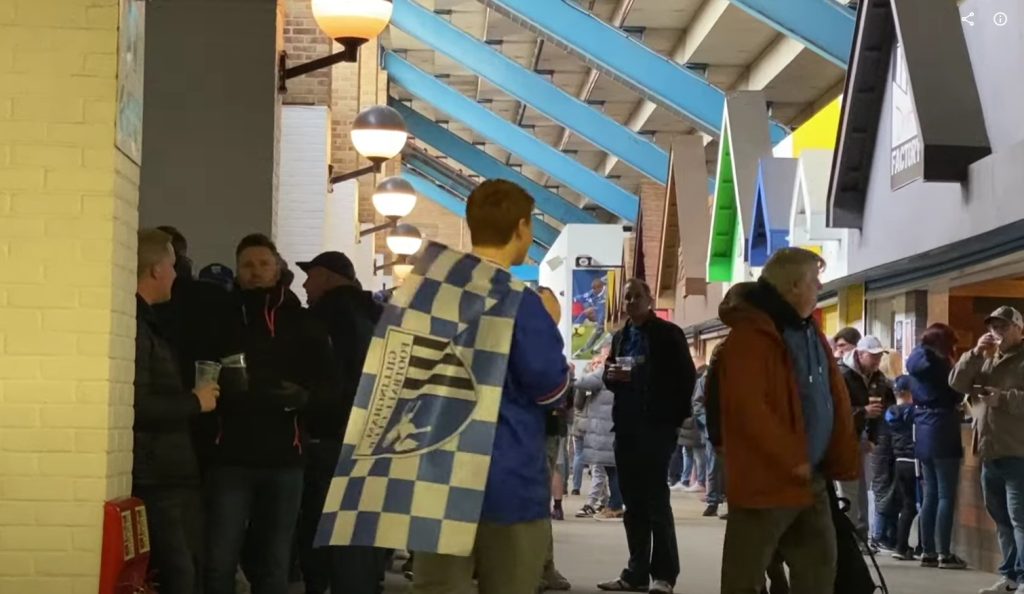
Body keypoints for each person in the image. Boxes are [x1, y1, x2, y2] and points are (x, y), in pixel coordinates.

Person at [411, 180, 571, 594]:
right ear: (521, 228)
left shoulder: (425, 297)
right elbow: (550, 388)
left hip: (435, 475)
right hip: (507, 477)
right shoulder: (521, 302)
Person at [715, 247, 859, 594]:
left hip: (812, 475)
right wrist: (791, 458)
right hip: (767, 478)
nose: (820, 286)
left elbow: (830, 395)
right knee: (745, 574)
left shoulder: (809, 330)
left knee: (820, 567)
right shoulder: (752, 337)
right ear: (794, 285)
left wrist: (835, 456)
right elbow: (748, 409)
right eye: (814, 280)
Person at [204, 234, 334, 594]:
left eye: (263, 263)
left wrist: (304, 398)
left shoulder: (303, 323)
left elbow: (330, 385)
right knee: (219, 559)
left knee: (274, 563)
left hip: (285, 457)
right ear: (237, 271)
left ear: (278, 268)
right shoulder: (221, 318)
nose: (256, 271)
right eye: (247, 264)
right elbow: (199, 371)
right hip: (230, 455)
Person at [133, 228, 219, 594]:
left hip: (168, 467)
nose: (175, 273)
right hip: (158, 471)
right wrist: (194, 401)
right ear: (156, 270)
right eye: (171, 265)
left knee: (185, 568)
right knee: (178, 572)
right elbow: (135, 403)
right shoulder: (137, 326)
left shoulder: (147, 321)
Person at [295, 251, 387, 594]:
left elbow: (316, 376)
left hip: (328, 437)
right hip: (374, 441)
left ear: (331, 277)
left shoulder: (321, 317)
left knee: (320, 527)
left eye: (312, 275)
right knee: (362, 531)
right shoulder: (381, 316)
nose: (305, 282)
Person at [597, 279, 697, 594]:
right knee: (633, 504)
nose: (631, 301)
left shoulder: (669, 334)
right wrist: (610, 376)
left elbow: (686, 376)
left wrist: (674, 419)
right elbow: (610, 374)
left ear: (649, 299)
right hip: (625, 428)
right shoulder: (620, 337)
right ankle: (635, 572)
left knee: (656, 502)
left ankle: (664, 575)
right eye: (627, 297)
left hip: (657, 427)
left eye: (637, 296)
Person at [950, 306, 1024, 593]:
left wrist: (1003, 399)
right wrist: (974, 354)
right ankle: (1011, 577)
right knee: (1002, 520)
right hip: (989, 452)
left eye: (1004, 327)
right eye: (994, 327)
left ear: (1019, 329)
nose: (997, 333)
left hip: (1018, 452)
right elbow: (956, 383)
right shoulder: (986, 359)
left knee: (1020, 520)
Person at [906, 323, 967, 570]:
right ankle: (944, 553)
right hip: (943, 428)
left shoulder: (915, 361)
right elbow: (957, 392)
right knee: (945, 495)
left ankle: (927, 551)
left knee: (930, 494)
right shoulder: (940, 366)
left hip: (923, 428)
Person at [837, 335, 893, 551]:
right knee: (849, 490)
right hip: (843, 439)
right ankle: (850, 540)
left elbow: (880, 409)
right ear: (860, 354)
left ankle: (859, 539)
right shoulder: (842, 375)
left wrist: (871, 438)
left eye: (880, 355)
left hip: (861, 438)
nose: (877, 360)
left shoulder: (877, 378)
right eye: (873, 355)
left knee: (861, 490)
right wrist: (862, 413)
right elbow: (835, 411)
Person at [536, 286, 573, 591]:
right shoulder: (547, 346)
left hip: (542, 429)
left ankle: (543, 566)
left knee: (536, 499)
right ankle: (542, 566)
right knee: (535, 499)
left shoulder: (544, 345)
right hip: (538, 429)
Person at [575, 344, 624, 521]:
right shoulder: (626, 369)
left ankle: (615, 506)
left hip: (605, 428)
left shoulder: (607, 370)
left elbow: (582, 383)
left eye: (604, 356)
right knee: (616, 468)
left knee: (612, 469)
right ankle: (615, 503)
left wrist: (587, 371)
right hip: (618, 424)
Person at [886, 375, 919, 561]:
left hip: (899, 461)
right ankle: (919, 546)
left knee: (906, 505)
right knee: (918, 504)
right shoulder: (914, 412)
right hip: (914, 461)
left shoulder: (890, 412)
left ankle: (901, 546)